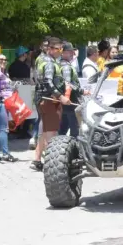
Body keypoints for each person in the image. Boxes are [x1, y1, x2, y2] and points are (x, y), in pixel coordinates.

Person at [31, 38, 62, 171]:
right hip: (49, 99)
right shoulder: (48, 62)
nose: (60, 51)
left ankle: (37, 159)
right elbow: (48, 82)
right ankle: (52, 164)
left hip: (43, 98)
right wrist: (59, 96)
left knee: (44, 130)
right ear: (49, 49)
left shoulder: (42, 59)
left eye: (60, 48)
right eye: (57, 48)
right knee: (51, 132)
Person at [56, 42, 82, 137]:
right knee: (74, 127)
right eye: (69, 52)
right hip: (70, 100)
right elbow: (67, 84)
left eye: (72, 52)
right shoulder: (66, 66)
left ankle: (60, 146)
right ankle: (73, 148)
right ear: (63, 53)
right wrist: (67, 98)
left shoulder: (60, 64)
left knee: (64, 126)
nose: (72, 54)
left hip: (64, 99)